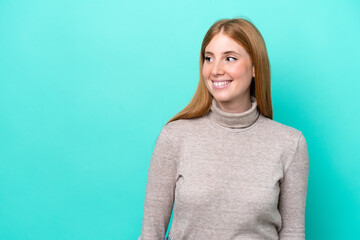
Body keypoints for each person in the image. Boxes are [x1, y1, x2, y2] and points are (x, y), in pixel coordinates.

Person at [139, 17, 309, 240]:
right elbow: (151, 232)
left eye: (229, 58)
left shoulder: (290, 143)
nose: (216, 69)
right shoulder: (175, 136)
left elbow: (293, 233)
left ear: (255, 66)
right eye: (209, 58)